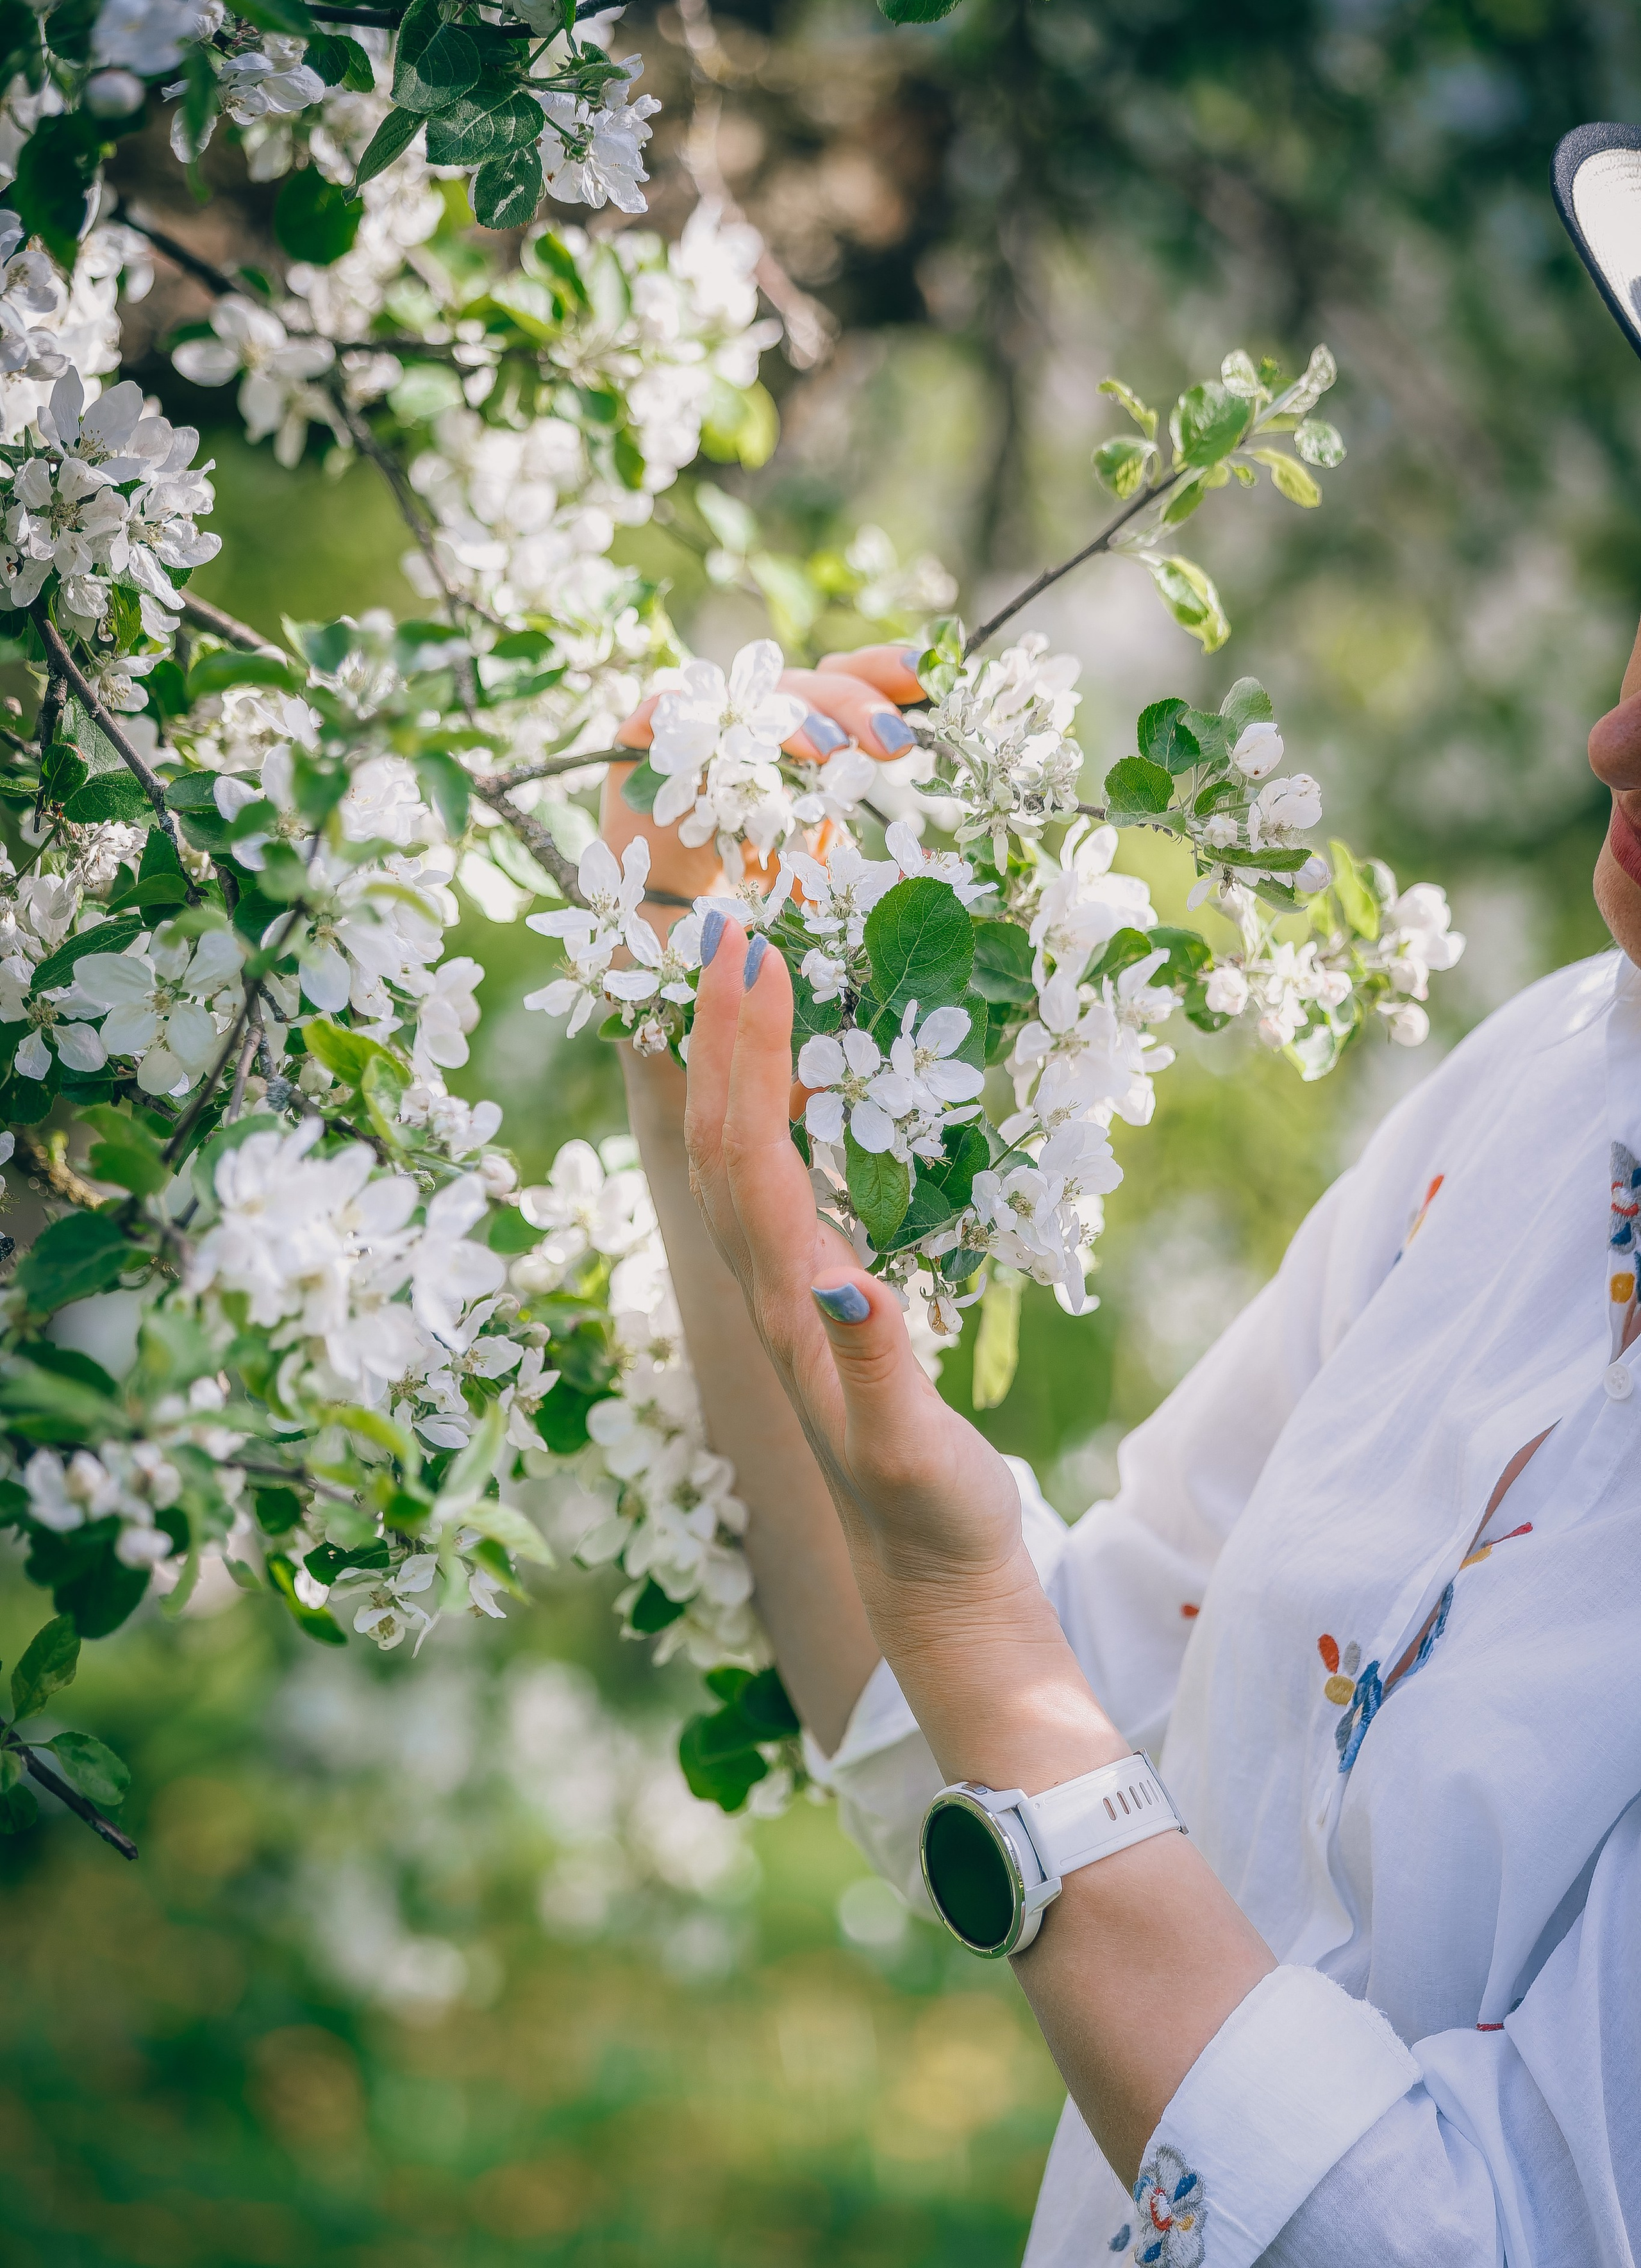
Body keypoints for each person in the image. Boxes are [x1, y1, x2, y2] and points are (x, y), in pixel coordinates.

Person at [604, 625, 1641, 2267]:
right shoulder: (1549, 1069)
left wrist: (963, 1615)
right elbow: (1051, 1724)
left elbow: (1453, 2240)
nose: (1612, 737)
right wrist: (691, 1039)